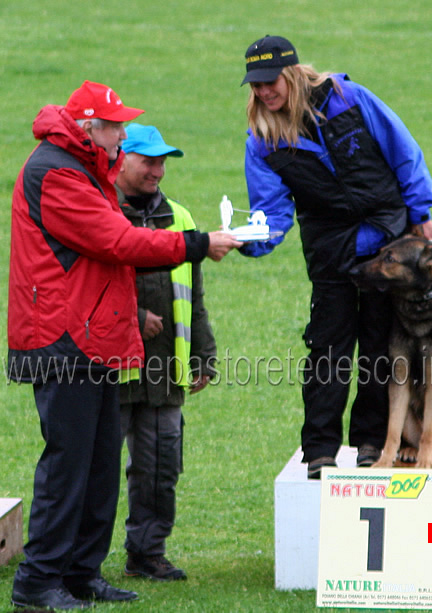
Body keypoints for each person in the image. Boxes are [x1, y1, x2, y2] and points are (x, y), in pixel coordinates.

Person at [7, 80, 241, 610]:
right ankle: (38, 582)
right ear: (88, 128)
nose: (121, 134)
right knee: (69, 465)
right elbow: (117, 241)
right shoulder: (56, 172)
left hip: (90, 338)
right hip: (62, 340)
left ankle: (82, 573)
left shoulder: (85, 169)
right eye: (114, 126)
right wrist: (199, 244)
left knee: (97, 466)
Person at [239, 36, 432, 479]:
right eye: (255, 86)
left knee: (380, 346)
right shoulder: (263, 139)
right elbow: (271, 210)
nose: (263, 93)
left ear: (290, 74)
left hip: (388, 247)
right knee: (327, 352)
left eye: (270, 83)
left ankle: (370, 442)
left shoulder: (349, 98)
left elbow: (402, 150)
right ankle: (320, 451)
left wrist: (420, 211)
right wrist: (253, 240)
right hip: (332, 253)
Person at [115, 123, 217, 582]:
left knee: (160, 466)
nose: (158, 169)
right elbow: (88, 285)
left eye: (162, 161)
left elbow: (192, 296)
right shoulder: (100, 211)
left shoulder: (179, 216)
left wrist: (203, 354)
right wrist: (135, 317)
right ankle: (77, 558)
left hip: (164, 368)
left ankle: (147, 552)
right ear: (122, 159)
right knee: (95, 469)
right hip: (110, 368)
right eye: (148, 160)